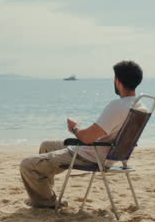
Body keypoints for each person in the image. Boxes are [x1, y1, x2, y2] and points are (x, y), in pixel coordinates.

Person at [20, 60, 144, 209]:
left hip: (91, 155)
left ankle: (47, 203)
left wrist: (74, 128)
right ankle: (44, 194)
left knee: (27, 165)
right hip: (110, 154)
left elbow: (86, 138)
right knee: (46, 146)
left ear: (117, 81)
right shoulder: (140, 106)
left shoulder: (118, 106)